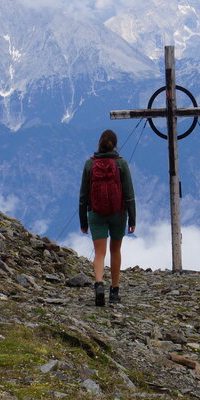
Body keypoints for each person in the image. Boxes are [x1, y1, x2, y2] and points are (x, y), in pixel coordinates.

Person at [79, 129, 136, 306]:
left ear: (99, 143)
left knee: (99, 253)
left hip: (96, 213)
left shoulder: (90, 164)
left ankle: (99, 285)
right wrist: (132, 219)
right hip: (118, 213)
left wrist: (83, 221)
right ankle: (114, 291)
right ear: (115, 144)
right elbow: (129, 194)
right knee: (115, 250)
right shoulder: (121, 164)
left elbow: (83, 195)